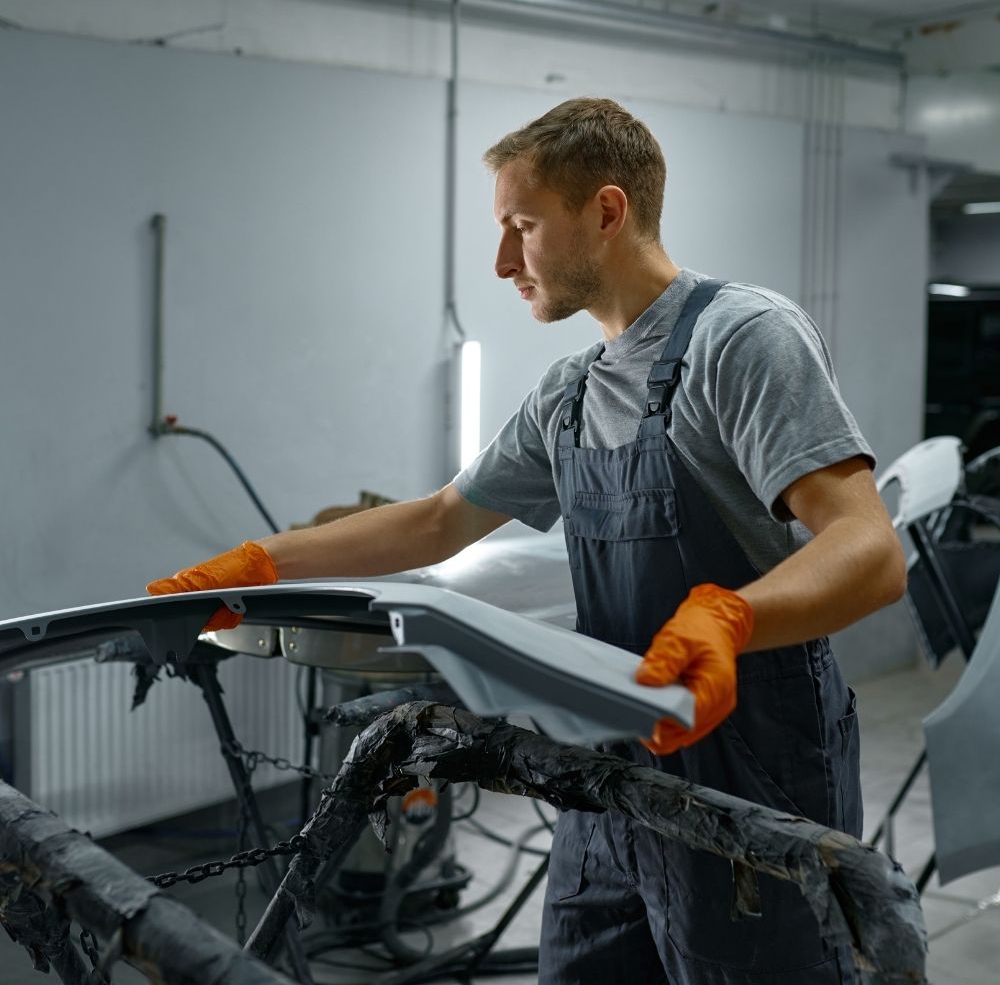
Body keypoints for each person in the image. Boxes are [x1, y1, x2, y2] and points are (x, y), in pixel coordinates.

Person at [148, 98, 906, 983]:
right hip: (608, 776)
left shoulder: (741, 340)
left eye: (522, 226)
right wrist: (264, 561)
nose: (503, 261)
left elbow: (870, 548)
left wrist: (732, 620)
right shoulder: (571, 391)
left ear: (608, 212)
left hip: (755, 766)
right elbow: (438, 521)